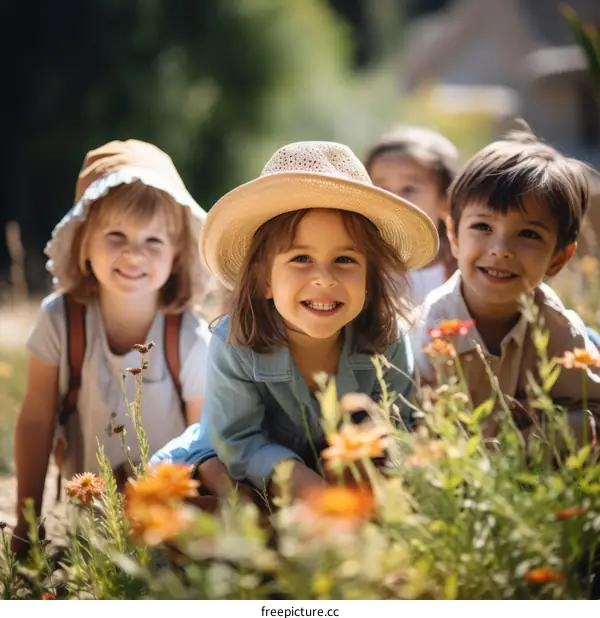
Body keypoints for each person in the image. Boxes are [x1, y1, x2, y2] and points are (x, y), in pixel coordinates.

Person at [150, 140, 439, 500]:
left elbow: (398, 424)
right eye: (301, 258)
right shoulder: (235, 343)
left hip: (341, 469)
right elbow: (240, 441)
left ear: (370, 278)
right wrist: (302, 481)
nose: (324, 278)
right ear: (263, 280)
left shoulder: (387, 336)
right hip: (236, 458)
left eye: (345, 260)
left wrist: (369, 468)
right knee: (220, 489)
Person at [12, 140, 211, 552]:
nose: (133, 254)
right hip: (86, 523)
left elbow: (204, 441)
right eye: (116, 235)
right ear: (83, 244)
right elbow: (36, 420)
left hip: (163, 525)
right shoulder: (60, 321)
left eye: (153, 240)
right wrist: (25, 522)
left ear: (176, 256)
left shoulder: (187, 337)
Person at [409, 124, 600, 441]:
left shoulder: (557, 327)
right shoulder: (432, 327)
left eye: (528, 234)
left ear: (559, 257)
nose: (500, 249)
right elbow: (411, 421)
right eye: (482, 226)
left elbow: (591, 408)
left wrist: (526, 444)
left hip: (528, 467)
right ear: (454, 236)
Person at [364, 125, 460, 304]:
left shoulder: (462, 272)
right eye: (382, 189)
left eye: (408, 189)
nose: (393, 200)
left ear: (444, 201)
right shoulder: (364, 269)